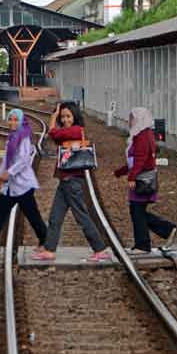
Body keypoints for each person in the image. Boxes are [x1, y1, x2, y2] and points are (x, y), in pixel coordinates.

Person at [31, 102, 112, 262]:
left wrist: (53, 118)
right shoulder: (68, 131)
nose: (65, 119)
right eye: (63, 117)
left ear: (75, 116)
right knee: (56, 216)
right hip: (65, 180)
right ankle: (49, 249)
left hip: (72, 181)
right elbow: (57, 139)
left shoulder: (76, 130)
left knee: (82, 216)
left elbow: (53, 133)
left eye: (68, 116)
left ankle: (100, 249)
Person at [0, 108, 47, 251]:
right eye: (11, 119)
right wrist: (0, 177)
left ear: (21, 121)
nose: (12, 122)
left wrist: (7, 174)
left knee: (32, 214)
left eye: (16, 119)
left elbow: (23, 160)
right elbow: (6, 160)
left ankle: (46, 241)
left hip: (22, 185)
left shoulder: (24, 137)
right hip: (11, 185)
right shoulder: (12, 136)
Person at [114, 107, 177, 254]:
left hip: (142, 179)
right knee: (138, 211)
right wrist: (121, 171)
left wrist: (132, 176)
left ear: (140, 119)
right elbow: (134, 160)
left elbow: (141, 159)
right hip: (142, 177)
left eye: (132, 118)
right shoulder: (141, 134)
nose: (130, 121)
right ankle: (152, 238)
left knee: (137, 210)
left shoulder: (143, 135)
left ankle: (149, 241)